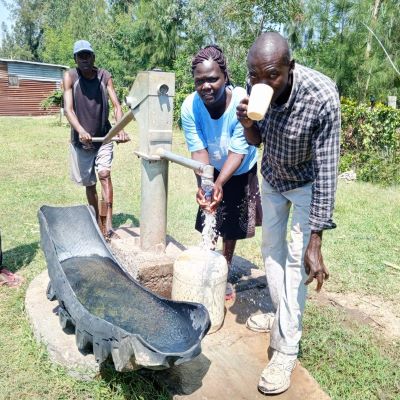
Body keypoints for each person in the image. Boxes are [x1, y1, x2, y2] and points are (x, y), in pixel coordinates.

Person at [236, 32, 340, 395]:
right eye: (254, 76)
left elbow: (327, 170)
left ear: (289, 68)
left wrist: (316, 236)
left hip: (306, 185)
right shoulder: (258, 87)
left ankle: (285, 351)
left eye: (271, 76)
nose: (262, 83)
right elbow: (256, 141)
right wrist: (249, 123)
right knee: (270, 254)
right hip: (273, 178)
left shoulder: (321, 96)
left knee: (297, 264)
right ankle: (282, 319)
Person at [181, 45, 262, 300]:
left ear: (225, 76)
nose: (206, 86)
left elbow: (238, 151)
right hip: (211, 164)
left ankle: (223, 272)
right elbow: (198, 150)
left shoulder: (241, 102)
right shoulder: (190, 107)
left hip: (239, 166)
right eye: (200, 81)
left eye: (213, 79)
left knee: (230, 225)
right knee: (211, 211)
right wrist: (207, 185)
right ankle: (208, 263)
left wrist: (220, 183)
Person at [63, 40, 129, 240]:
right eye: (80, 56)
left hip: (104, 137)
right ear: (75, 59)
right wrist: (81, 130)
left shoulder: (104, 76)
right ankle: (96, 222)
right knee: (90, 184)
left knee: (104, 175)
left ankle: (108, 226)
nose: (84, 60)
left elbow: (117, 105)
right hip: (81, 141)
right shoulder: (70, 77)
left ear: (93, 57)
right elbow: (68, 109)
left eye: (87, 55)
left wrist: (120, 128)